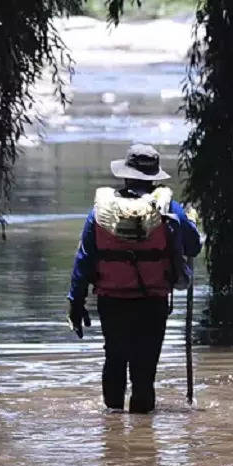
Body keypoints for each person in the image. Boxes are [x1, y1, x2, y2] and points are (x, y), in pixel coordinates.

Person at [67, 143, 202, 414]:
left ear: (126, 175)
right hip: (152, 301)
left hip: (112, 300)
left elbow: (84, 260)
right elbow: (194, 246)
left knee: (114, 359)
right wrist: (189, 221)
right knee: (145, 367)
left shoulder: (101, 211)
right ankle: (144, 431)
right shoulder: (169, 209)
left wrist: (75, 302)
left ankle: (112, 425)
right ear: (153, 177)